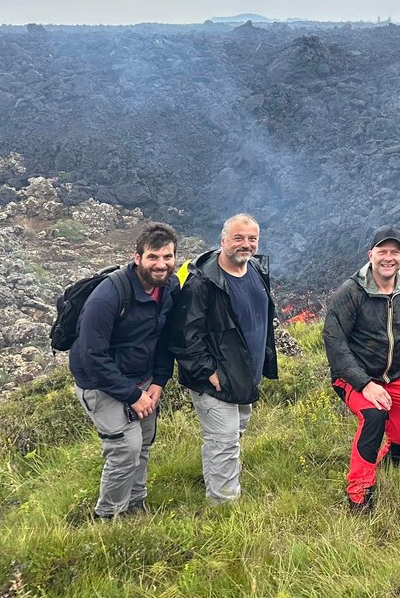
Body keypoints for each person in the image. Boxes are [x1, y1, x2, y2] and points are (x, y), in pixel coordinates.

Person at [70, 221, 181, 519]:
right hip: (100, 383)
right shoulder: (108, 297)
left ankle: (135, 504)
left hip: (143, 377)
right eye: (153, 257)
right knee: (124, 450)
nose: (161, 264)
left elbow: (165, 338)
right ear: (138, 257)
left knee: (144, 441)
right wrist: (133, 395)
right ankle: (108, 516)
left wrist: (159, 380)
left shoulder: (170, 287)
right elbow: (92, 355)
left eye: (167, 257)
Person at [171, 213, 278, 505]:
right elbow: (183, 335)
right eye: (238, 238)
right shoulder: (201, 282)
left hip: (246, 374)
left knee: (234, 433)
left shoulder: (256, 269)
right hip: (215, 379)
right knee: (225, 440)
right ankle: (224, 506)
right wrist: (209, 372)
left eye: (252, 238)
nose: (246, 244)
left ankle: (217, 478)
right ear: (222, 241)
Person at [323, 226, 400, 512]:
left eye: (395, 252)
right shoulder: (351, 292)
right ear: (371, 254)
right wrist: (364, 383)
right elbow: (334, 341)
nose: (388, 258)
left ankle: (380, 467)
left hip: (393, 378)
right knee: (374, 416)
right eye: (382, 251)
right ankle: (359, 491)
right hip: (353, 377)